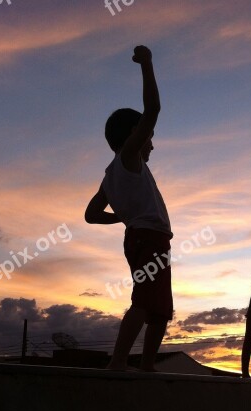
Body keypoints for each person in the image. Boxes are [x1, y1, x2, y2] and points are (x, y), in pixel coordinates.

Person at [85, 45, 173, 372]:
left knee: (161, 308)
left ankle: (147, 364)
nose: (152, 142)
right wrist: (147, 63)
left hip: (148, 239)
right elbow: (153, 109)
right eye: (148, 136)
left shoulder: (110, 177)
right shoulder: (129, 156)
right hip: (148, 239)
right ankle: (118, 361)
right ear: (134, 135)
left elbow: (91, 214)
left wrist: (120, 218)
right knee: (146, 301)